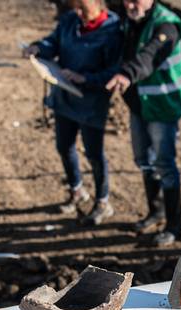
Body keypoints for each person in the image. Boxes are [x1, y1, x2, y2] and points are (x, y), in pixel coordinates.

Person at [24, 0, 123, 222]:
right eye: (76, 8)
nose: (78, 13)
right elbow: (54, 41)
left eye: (83, 9)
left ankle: (102, 201)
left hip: (92, 102)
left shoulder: (112, 30)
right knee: (64, 145)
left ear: (99, 4)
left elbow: (113, 70)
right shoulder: (71, 19)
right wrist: (39, 47)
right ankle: (77, 189)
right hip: (65, 97)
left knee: (94, 153)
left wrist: (85, 78)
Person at [105, 0, 181, 246]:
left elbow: (150, 55)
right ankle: (156, 212)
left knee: (164, 163)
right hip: (139, 104)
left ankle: (175, 225)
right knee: (144, 160)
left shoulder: (167, 25)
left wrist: (126, 74)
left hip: (163, 106)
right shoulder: (129, 20)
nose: (131, 4)